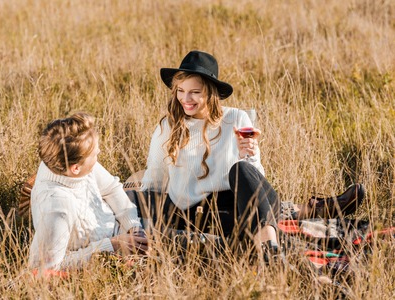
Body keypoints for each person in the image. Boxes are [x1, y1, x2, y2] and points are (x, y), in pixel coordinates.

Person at [125, 50, 365, 261]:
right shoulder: (167, 127)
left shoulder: (237, 119)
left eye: (194, 92)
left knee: (240, 170)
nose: (186, 99)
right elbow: (154, 180)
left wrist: (247, 154)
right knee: (126, 199)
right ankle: (308, 211)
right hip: (189, 213)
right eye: (181, 91)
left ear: (210, 93)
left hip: (231, 209)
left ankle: (270, 250)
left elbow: (255, 180)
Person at [28, 112, 148, 271]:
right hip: (114, 249)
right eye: (95, 155)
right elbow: (46, 269)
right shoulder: (57, 210)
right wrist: (112, 245)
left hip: (123, 227)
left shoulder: (67, 161)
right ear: (75, 168)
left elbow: (112, 189)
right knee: (180, 242)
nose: (99, 154)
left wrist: (134, 227)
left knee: (168, 202)